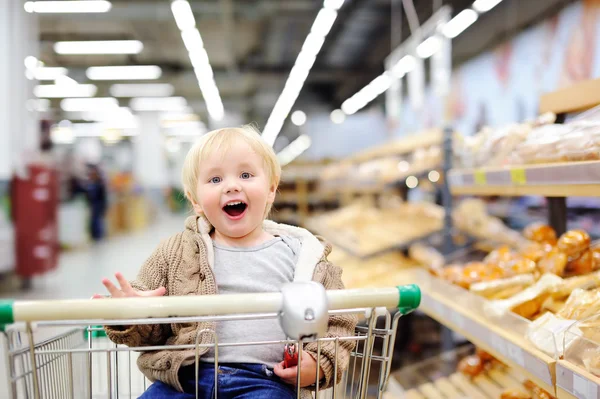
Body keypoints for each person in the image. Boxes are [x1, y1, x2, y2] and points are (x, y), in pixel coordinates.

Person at [93, 125, 357, 399]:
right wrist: (132, 315)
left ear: (271, 189)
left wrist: (318, 361)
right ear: (195, 200)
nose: (232, 185)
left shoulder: (305, 256)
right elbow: (152, 330)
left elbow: (339, 319)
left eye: (245, 174)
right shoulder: (174, 252)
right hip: (184, 378)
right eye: (215, 179)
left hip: (264, 382)